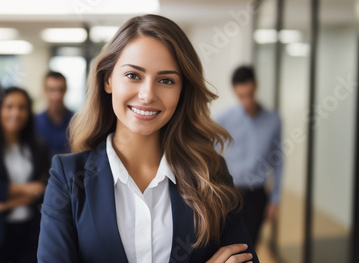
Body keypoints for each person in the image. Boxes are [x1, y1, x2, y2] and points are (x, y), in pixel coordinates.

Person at [38, 15, 259, 263]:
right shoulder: (67, 177)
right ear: (108, 79)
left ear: (182, 91)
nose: (147, 95)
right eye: (133, 75)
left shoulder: (211, 173)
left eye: (166, 80)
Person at [0, 87, 50, 263]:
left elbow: (46, 189)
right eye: (9, 107)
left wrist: (7, 201)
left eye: (22, 107)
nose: (16, 112)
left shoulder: (39, 148)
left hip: (31, 235)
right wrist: (27, 189)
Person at [215, 66, 283, 246]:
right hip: (230, 193)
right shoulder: (223, 118)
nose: (246, 101)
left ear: (256, 86)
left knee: (250, 247)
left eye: (249, 94)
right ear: (235, 92)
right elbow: (209, 154)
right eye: (241, 96)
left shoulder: (274, 120)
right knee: (227, 246)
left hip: (257, 195)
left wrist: (275, 199)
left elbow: (278, 161)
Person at [35, 71, 73, 158]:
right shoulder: (34, 122)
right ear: (44, 91)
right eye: (52, 90)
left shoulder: (77, 122)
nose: (57, 96)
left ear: (66, 90)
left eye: (61, 89)